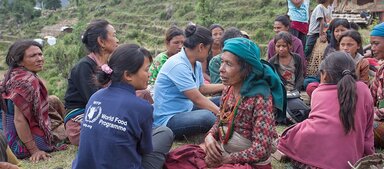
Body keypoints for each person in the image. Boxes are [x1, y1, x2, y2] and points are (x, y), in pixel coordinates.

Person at [165, 38, 285, 169]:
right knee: (179, 157)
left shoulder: (261, 98)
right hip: (224, 151)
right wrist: (210, 137)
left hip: (250, 163)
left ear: (246, 68)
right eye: (222, 62)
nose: (221, 69)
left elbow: (261, 150)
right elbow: (221, 120)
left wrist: (226, 160)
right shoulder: (229, 89)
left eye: (229, 64)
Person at [72, 44, 174, 169]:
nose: (149, 75)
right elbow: (145, 149)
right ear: (128, 75)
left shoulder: (96, 97)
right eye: (146, 70)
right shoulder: (142, 107)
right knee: (165, 132)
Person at [276, 51, 374, 169]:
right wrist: (368, 156)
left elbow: (317, 124)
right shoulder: (364, 89)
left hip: (317, 159)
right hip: (350, 162)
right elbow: (368, 132)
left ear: (325, 75)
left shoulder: (319, 92)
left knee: (291, 134)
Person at [153, 24, 224, 139]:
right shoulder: (178, 64)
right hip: (169, 119)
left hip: (186, 109)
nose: (209, 53)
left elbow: (201, 88)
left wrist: (225, 86)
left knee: (223, 100)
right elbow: (197, 99)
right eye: (208, 49)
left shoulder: (196, 63)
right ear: (201, 47)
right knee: (207, 117)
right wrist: (222, 115)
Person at [0, 40, 67, 162]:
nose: (40, 58)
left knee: (54, 100)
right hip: (19, 142)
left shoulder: (14, 74)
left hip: (8, 131)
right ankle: (66, 130)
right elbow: (19, 119)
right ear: (19, 61)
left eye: (40, 54)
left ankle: (66, 124)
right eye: (33, 56)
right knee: (73, 130)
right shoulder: (26, 81)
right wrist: (34, 150)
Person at [63, 19, 119, 145]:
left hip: (104, 115)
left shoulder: (109, 65)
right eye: (114, 35)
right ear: (101, 41)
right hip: (82, 123)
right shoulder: (84, 67)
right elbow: (96, 102)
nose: (117, 40)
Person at [269, 32, 309, 123]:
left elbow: (300, 76)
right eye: (278, 46)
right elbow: (272, 81)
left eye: (284, 46)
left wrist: (296, 90)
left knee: (301, 108)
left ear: (290, 46)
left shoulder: (297, 58)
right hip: (280, 94)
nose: (281, 49)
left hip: (294, 92)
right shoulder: (272, 61)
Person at [369, 22, 384, 148]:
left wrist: (372, 115)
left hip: (380, 118)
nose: (372, 48)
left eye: (376, 44)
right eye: (371, 44)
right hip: (379, 115)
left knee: (370, 127)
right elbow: (371, 97)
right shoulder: (381, 69)